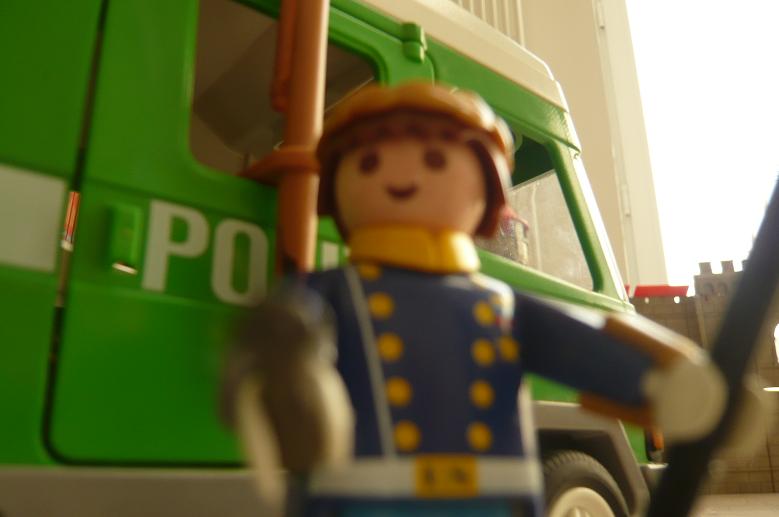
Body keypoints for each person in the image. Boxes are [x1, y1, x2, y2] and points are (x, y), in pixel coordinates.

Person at [226, 82, 725, 517]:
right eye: (370, 162)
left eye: (436, 160)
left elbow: (582, 347)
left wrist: (668, 386)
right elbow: (280, 340)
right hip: (366, 497)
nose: (403, 176)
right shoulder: (333, 291)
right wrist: (287, 380)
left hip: (492, 497)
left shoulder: (501, 304)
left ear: (489, 185)